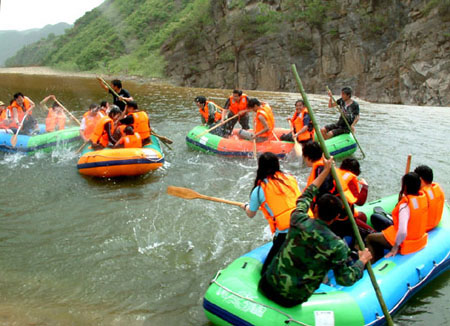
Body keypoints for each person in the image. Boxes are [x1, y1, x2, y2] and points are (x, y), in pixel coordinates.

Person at [259, 156, 372, 307]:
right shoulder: (338, 246)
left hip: (266, 286)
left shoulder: (297, 219)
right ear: (336, 217)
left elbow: (306, 194)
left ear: (316, 208)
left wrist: (325, 171)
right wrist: (362, 261)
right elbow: (345, 279)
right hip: (291, 300)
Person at [241, 152, 301, 275]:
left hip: (286, 235)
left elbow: (251, 214)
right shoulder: (290, 178)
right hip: (306, 225)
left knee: (266, 273)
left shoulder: (258, 190)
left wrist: (246, 206)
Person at [366, 172, 428, 263]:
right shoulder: (422, 199)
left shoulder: (405, 206)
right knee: (382, 234)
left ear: (405, 187)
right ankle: (379, 255)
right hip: (418, 239)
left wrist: (394, 248)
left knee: (370, 238)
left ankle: (372, 263)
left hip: (405, 242)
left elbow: (402, 231)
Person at [414, 165, 445, 231]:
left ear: (420, 179)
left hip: (422, 228)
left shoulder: (420, 196)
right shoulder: (438, 189)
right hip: (435, 223)